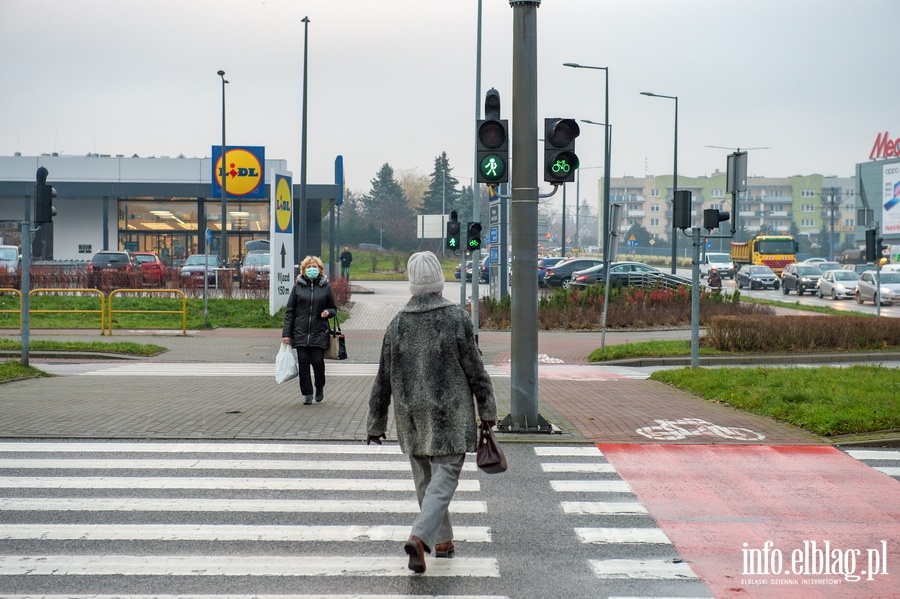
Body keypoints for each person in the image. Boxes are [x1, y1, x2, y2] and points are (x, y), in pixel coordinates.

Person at [366, 251, 497, 574]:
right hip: (450, 415)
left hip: (411, 416)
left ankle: (443, 542)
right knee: (445, 478)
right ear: (439, 281)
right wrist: (487, 409)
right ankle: (420, 537)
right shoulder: (455, 319)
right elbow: (475, 370)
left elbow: (383, 378)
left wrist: (376, 422)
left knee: (426, 481)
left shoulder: (397, 324)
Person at [281, 256, 337, 405]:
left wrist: (328, 312)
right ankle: (307, 393)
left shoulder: (326, 287)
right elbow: (290, 311)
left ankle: (319, 387)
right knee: (304, 363)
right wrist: (286, 334)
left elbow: (333, 308)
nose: (312, 269)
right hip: (300, 332)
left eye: (315, 266)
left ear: (320, 269)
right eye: (309, 267)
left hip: (319, 331)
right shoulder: (298, 287)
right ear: (304, 270)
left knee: (318, 362)